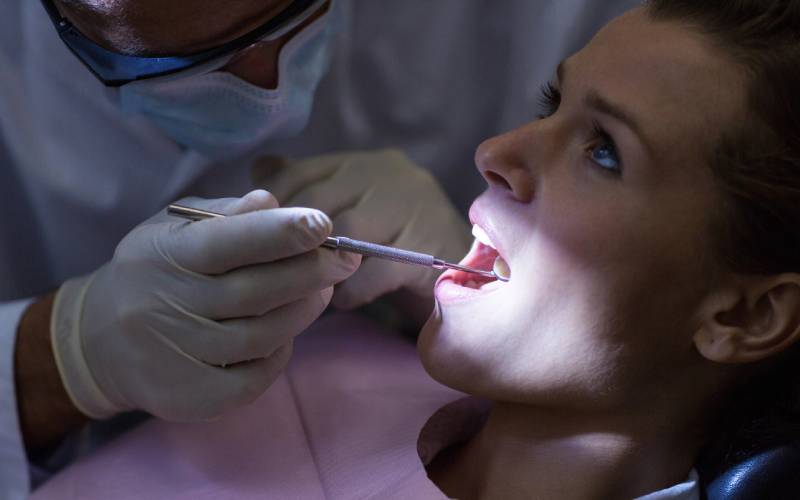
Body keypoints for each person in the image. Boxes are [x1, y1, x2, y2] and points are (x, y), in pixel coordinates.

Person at [27, 0, 800, 498]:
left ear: (748, 313)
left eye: (602, 150)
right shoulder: (305, 381)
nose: (494, 150)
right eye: (551, 102)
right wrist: (63, 354)